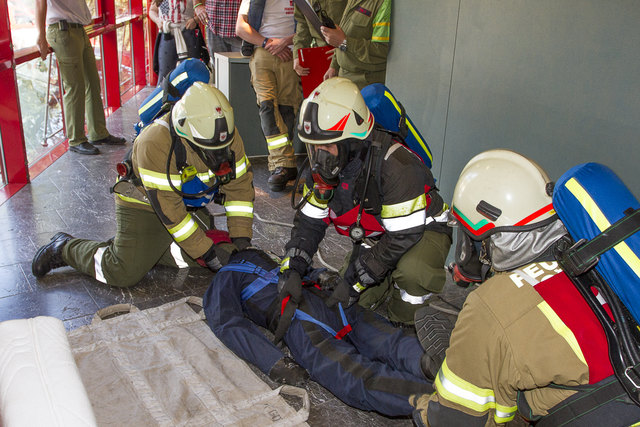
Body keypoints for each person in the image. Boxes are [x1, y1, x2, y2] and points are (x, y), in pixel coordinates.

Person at [411, 149, 640, 426]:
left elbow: (452, 420)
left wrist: (418, 406)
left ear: (490, 238)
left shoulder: (492, 304)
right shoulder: (592, 257)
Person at [31, 83, 255, 288]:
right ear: (185, 132)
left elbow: (240, 190)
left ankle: (142, 248)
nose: (219, 156)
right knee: (121, 272)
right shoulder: (155, 143)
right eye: (209, 150)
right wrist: (205, 252)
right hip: (145, 204)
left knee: (223, 254)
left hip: (186, 203)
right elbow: (172, 214)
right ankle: (65, 248)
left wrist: (242, 239)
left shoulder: (225, 136)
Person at [278, 77, 451, 326]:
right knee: (350, 303)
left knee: (412, 273)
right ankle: (386, 278)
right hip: (379, 234)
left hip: (422, 230)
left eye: (327, 147)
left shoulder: (397, 166)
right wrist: (293, 268)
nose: (318, 160)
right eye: (314, 148)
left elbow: (402, 237)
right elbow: (309, 224)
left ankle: (408, 321)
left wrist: (356, 281)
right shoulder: (326, 170)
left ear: (352, 143)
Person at [203, 247, 433, 416]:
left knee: (354, 375)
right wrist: (322, 276)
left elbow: (227, 323)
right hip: (332, 303)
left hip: (300, 321)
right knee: (389, 340)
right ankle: (450, 376)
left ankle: (430, 403)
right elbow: (301, 269)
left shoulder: (227, 276)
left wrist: (275, 362)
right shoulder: (263, 259)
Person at [35, 0, 126, 156]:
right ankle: (76, 139)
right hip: (62, 29)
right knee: (75, 87)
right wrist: (41, 36)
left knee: (92, 82)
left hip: (79, 29)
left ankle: (98, 133)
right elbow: (39, 2)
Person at [235, 0, 302, 192]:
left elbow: (312, 27)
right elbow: (241, 27)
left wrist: (284, 42)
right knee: (267, 108)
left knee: (287, 110)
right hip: (263, 52)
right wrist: (268, 43)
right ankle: (282, 164)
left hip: (291, 53)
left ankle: (283, 165)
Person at [320, 0, 390, 90]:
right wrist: (334, 65)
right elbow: (345, 31)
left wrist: (344, 42)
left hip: (365, 84)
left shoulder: (384, 3)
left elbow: (381, 51)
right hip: (344, 77)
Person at [149, 0, 205, 83]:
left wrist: (195, 20)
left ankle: (191, 95)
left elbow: (204, 8)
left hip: (187, 32)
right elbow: (152, 10)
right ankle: (165, 95)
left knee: (191, 71)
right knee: (164, 74)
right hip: (167, 33)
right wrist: (157, 20)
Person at [292, 0, 347, 77]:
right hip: (322, 56)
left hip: (346, 55)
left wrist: (343, 48)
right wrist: (298, 55)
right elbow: (302, 26)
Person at [193, 0, 243, 66]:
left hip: (241, 30)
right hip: (214, 26)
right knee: (218, 70)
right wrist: (197, 5)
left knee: (242, 70)